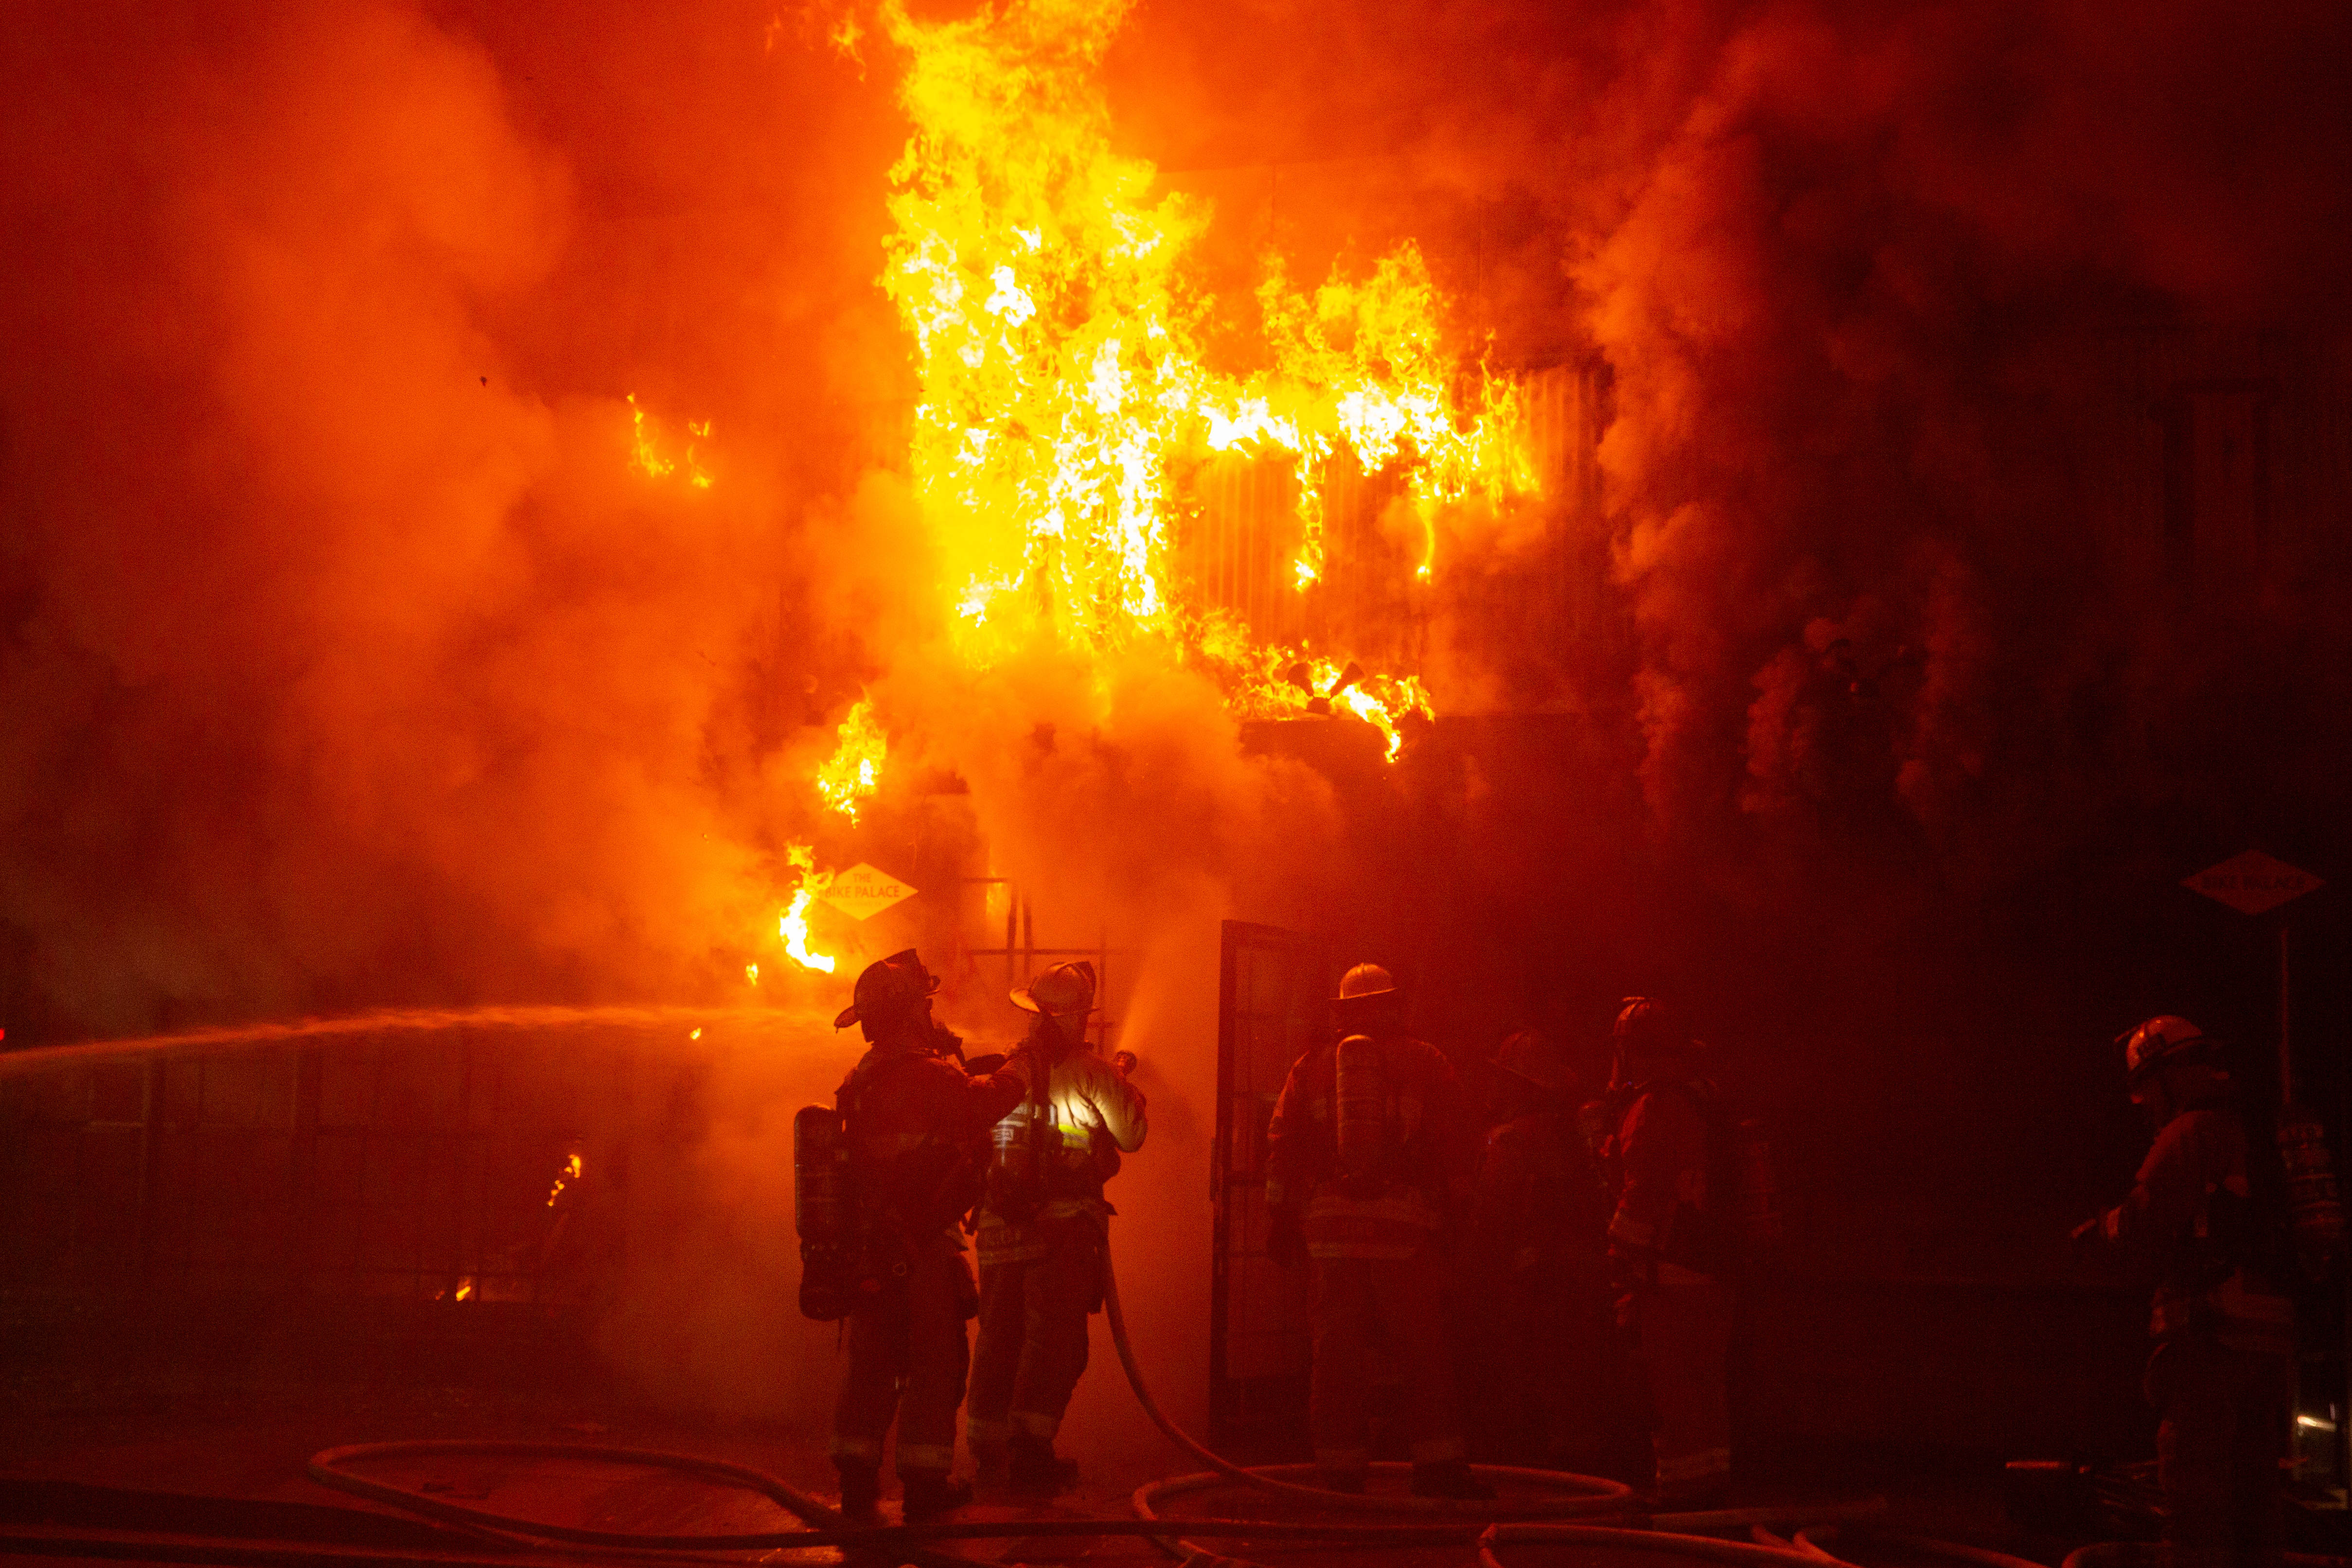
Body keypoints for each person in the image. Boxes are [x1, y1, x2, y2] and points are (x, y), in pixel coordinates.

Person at [2075, 1017, 2297, 1568]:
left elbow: (2146, 1220)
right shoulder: (2259, 1128)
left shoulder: (2190, 1132)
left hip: (2207, 1340)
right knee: (2254, 1504)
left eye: (2146, 1087)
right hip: (2268, 1349)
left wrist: (2094, 1234)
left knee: (2195, 1505)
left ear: (2168, 1075)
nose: (2145, 1102)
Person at [1265, 963, 1490, 1499]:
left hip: (1330, 1234)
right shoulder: (1426, 1060)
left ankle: (1338, 1473)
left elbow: (1282, 1143)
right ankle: (1438, 1468)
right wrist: (1458, 1212)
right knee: (1422, 1349)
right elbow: (1458, 1138)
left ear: (1343, 1011)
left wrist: (1278, 1219)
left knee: (1335, 1353)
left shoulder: (1310, 1066)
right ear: (1392, 1005)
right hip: (1404, 1232)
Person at [828, 950, 1034, 1521]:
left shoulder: (860, 1081)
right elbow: (989, 1102)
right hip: (922, 1250)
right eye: (923, 1006)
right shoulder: (930, 1077)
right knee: (936, 1361)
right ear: (908, 1014)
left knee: (869, 1362)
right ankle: (923, 1486)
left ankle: (855, 1482)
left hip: (872, 1249)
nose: (929, 1015)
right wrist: (1024, 1060)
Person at [966, 960, 1147, 1493]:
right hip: (1060, 1233)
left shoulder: (1006, 1070)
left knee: (998, 1339)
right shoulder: (1091, 1072)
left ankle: (986, 1450)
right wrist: (1127, 1090)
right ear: (1078, 1016)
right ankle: (1031, 1451)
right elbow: (1131, 1135)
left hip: (999, 1229)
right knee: (1055, 1343)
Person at [1597, 996, 1732, 1507]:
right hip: (1713, 1268)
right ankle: (1711, 1482)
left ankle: (1679, 1490)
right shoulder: (1703, 1097)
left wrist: (1617, 1250)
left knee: (1669, 1385)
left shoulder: (1654, 1106)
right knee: (1705, 1383)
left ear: (1633, 1052)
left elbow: (1644, 1190)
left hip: (1668, 1269)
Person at [1473, 1027, 1621, 1474]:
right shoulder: (1581, 1129)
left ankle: (1537, 1459)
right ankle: (1581, 1452)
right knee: (1578, 1359)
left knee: (1529, 1360)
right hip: (1586, 1265)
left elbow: (1493, 1209)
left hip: (1533, 1271)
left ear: (1519, 1083)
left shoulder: (1510, 1138)